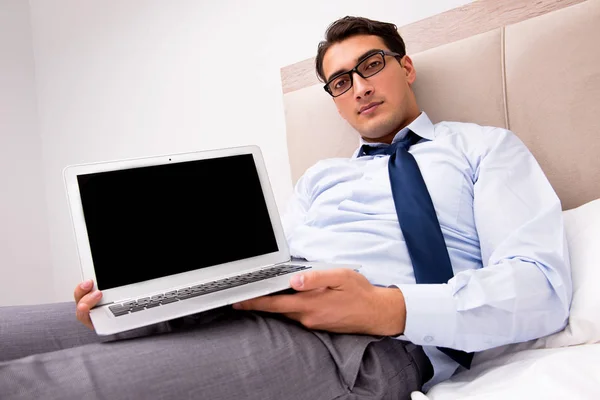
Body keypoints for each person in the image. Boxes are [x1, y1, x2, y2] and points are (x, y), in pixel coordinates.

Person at [0, 16, 571, 400]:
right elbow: (275, 264)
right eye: (340, 82)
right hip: (263, 306)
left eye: (371, 66)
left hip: (368, 344)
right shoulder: (322, 177)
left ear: (405, 66)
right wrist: (156, 288)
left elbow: (540, 289)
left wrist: (385, 307)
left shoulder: (485, 148)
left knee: (44, 384)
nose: (359, 88)